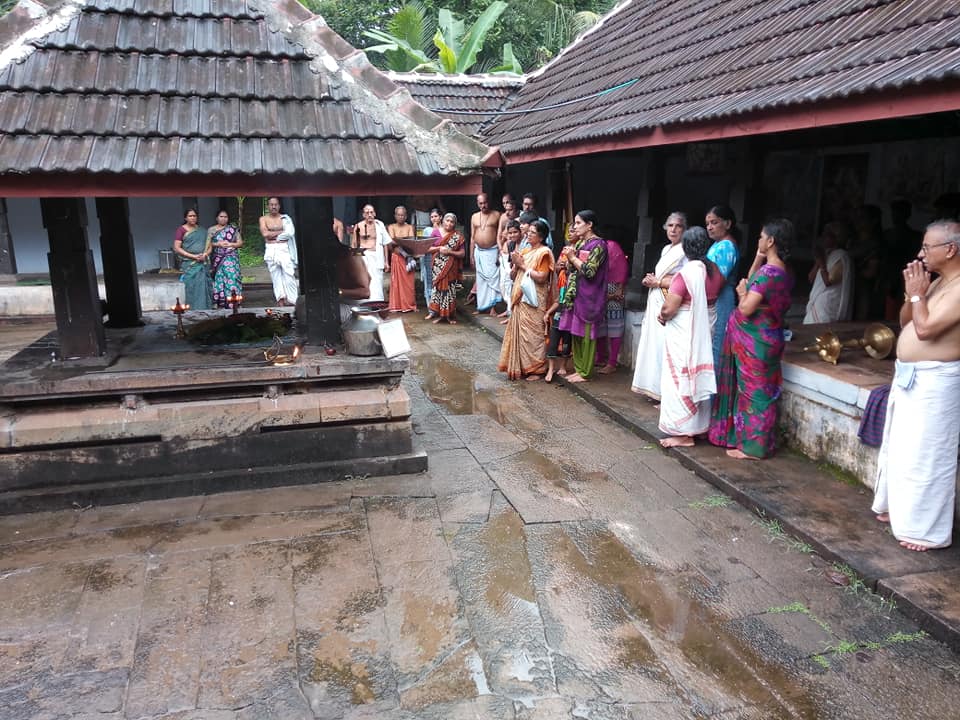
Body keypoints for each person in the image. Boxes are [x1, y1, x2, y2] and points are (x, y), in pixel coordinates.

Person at [872, 220, 960, 552]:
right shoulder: (938, 284)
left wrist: (918, 293)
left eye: (926, 247)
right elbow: (907, 321)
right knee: (903, 447)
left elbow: (926, 331)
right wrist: (913, 294)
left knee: (928, 453)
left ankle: (926, 530)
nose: (920, 254)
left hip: (937, 382)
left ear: (950, 249)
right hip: (911, 376)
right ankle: (900, 508)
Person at [708, 218, 795, 460]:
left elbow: (746, 307)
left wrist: (742, 293)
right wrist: (758, 256)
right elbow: (753, 278)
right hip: (769, 335)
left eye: (761, 237)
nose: (758, 240)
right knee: (760, 390)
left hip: (756, 340)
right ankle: (755, 443)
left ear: (771, 240)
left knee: (754, 393)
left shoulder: (768, 274)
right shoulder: (782, 271)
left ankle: (753, 448)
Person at [657, 227, 720, 448]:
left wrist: (662, 315)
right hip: (705, 331)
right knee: (698, 374)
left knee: (680, 378)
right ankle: (700, 427)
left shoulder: (686, 274)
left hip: (684, 333)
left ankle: (683, 434)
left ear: (686, 247)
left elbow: (669, 308)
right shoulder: (714, 272)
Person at [631, 212, 688, 400]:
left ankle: (666, 394)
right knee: (653, 346)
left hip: (670, 303)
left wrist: (658, 282)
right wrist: (653, 281)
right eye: (670, 225)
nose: (673, 229)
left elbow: (685, 280)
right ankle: (653, 388)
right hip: (656, 301)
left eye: (678, 226)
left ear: (684, 229)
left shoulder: (685, 252)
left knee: (665, 347)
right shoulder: (666, 250)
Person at [498, 220, 555, 380]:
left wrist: (522, 265)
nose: (528, 234)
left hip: (534, 299)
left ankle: (537, 369)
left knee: (534, 336)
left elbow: (542, 277)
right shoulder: (525, 251)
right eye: (528, 231)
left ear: (541, 236)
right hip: (520, 297)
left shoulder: (544, 252)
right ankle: (523, 367)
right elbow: (512, 276)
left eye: (532, 232)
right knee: (521, 335)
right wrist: (515, 266)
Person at [557, 210, 608, 383]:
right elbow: (574, 269)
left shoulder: (599, 245)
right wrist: (568, 263)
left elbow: (589, 271)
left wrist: (572, 258)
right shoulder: (579, 244)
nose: (575, 227)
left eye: (578, 223)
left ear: (589, 225)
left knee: (587, 335)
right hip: (575, 294)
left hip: (590, 296)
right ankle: (578, 368)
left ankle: (585, 371)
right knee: (576, 333)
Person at [705, 205, 741, 368]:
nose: (710, 227)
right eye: (707, 224)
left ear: (727, 224)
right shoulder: (718, 244)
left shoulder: (727, 246)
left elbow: (718, 280)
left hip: (720, 299)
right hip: (714, 298)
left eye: (714, 222)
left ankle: (715, 392)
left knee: (717, 344)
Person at [803, 221, 853, 324]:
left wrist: (822, 264)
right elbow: (810, 278)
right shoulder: (825, 254)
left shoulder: (841, 256)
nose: (823, 239)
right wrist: (818, 261)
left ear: (836, 238)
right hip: (817, 302)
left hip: (828, 303)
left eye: (827, 236)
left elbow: (828, 281)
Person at [595, 237, 629, 374]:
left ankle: (612, 362)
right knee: (599, 326)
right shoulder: (597, 246)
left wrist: (618, 290)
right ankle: (601, 357)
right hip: (599, 289)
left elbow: (621, 269)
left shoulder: (611, 247)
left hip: (613, 288)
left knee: (614, 327)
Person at [426, 212, 465, 324]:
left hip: (451, 268)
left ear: (454, 224)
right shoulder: (435, 232)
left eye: (452, 221)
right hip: (437, 267)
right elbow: (427, 248)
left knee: (449, 291)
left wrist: (449, 252)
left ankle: (448, 315)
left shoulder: (458, 236)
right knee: (437, 290)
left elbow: (462, 254)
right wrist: (439, 248)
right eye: (447, 220)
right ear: (443, 221)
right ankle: (437, 313)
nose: (449, 223)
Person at [259, 197, 298, 307]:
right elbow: (265, 234)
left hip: (284, 248)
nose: (274, 206)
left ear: (279, 206)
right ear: (268, 206)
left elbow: (290, 233)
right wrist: (281, 232)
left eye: (276, 204)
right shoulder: (263, 219)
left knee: (289, 273)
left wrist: (273, 233)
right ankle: (280, 300)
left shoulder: (285, 218)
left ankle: (293, 300)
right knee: (275, 275)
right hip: (271, 249)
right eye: (271, 204)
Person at [173, 207, 212, 310]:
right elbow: (177, 248)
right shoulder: (181, 230)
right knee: (191, 287)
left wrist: (205, 255)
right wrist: (193, 256)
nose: (193, 218)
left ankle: (207, 308)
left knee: (205, 286)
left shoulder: (202, 230)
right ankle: (193, 309)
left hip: (203, 262)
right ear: (185, 218)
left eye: (194, 216)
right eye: (190, 216)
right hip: (190, 264)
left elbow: (210, 246)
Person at [544, 242, 572, 382]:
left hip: (570, 313)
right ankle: (550, 369)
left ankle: (563, 366)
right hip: (559, 312)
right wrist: (548, 312)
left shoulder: (574, 280)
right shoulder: (561, 279)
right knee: (553, 341)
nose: (564, 265)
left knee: (567, 342)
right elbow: (558, 300)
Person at [471, 193, 502, 316]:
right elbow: (473, 237)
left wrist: (500, 252)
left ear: (489, 202)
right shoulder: (474, 216)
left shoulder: (496, 215)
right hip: (479, 252)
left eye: (485, 202)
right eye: (480, 203)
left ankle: (492, 308)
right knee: (481, 280)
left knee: (493, 280)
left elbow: (500, 235)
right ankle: (482, 306)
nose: (483, 205)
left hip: (493, 251)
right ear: (477, 204)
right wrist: (471, 255)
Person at [353, 204, 392, 302]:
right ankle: (365, 303)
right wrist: (357, 263)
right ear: (363, 215)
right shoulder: (358, 226)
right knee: (365, 279)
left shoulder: (380, 225)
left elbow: (385, 243)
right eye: (367, 213)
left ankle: (377, 303)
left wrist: (386, 262)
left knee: (377, 282)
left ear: (374, 213)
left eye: (371, 212)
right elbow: (355, 245)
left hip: (377, 256)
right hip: (364, 256)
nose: (369, 215)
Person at [209, 209, 243, 309]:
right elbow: (207, 244)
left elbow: (240, 243)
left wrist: (231, 244)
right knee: (219, 279)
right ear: (216, 218)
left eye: (225, 217)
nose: (223, 219)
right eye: (221, 216)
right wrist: (218, 244)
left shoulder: (233, 229)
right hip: (218, 259)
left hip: (231, 258)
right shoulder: (211, 230)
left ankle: (234, 301)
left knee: (232, 277)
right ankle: (220, 302)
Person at [387, 205, 417, 313]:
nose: (401, 217)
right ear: (395, 216)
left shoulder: (409, 227)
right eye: (398, 215)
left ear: (406, 216)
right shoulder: (391, 227)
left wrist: (398, 241)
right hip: (397, 257)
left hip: (408, 257)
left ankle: (409, 305)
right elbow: (391, 242)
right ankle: (397, 305)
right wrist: (402, 241)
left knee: (409, 284)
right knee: (396, 284)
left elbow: (411, 241)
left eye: (403, 215)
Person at [498, 219, 521, 325]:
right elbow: (510, 262)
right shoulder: (510, 244)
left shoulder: (525, 244)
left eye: (515, 232)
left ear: (520, 231)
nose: (512, 235)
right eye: (510, 233)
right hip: (514, 274)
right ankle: (512, 317)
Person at [418, 208, 442, 308]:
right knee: (429, 283)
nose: (433, 219)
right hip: (429, 260)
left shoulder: (444, 230)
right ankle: (431, 308)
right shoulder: (427, 231)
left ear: (441, 217)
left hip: (441, 260)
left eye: (436, 216)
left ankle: (441, 307)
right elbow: (423, 247)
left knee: (440, 282)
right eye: (431, 217)